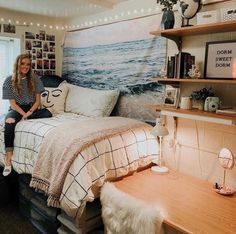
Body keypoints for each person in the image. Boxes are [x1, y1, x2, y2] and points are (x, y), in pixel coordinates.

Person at [2, 53, 53, 176]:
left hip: (31, 108)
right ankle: (8, 160)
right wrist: (23, 115)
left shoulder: (34, 79)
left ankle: (27, 117)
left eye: (28, 64)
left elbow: (38, 102)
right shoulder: (9, 80)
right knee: (9, 124)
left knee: (48, 112)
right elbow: (13, 104)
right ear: (17, 65)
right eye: (23, 64)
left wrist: (28, 114)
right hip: (17, 109)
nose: (25, 66)